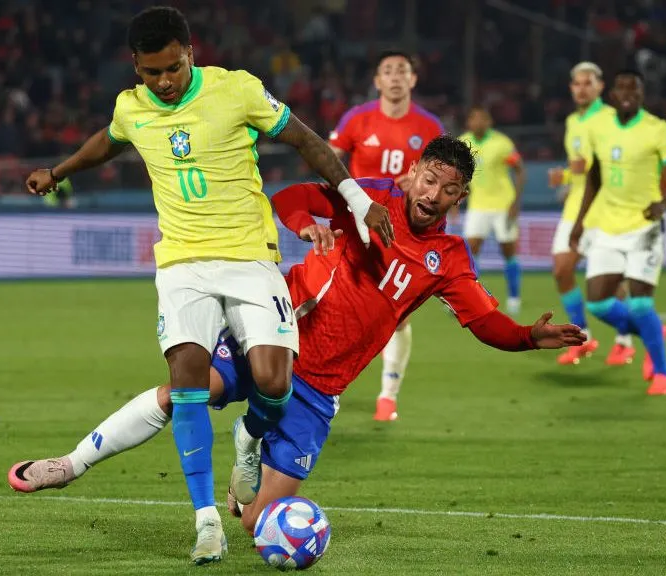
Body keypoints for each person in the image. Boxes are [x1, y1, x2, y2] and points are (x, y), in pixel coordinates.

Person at [8, 135, 585, 542]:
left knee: (258, 526)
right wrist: (307, 225)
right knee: (185, 390)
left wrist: (528, 337)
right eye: (429, 179)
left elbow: (485, 322)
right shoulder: (368, 194)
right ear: (414, 172)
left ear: (460, 198)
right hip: (276, 332)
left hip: (322, 389)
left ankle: (250, 441)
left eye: (448, 189)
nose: (432, 194)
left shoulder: (449, 259)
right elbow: (293, 197)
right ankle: (71, 463)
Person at [23, 6, 393, 565]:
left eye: (173, 67)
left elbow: (308, 142)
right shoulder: (132, 107)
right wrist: (59, 171)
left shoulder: (237, 90)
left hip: (250, 257)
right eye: (152, 73)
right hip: (181, 265)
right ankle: (206, 522)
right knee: (187, 380)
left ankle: (249, 436)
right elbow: (110, 139)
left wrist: (358, 200)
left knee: (274, 382)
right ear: (136, 68)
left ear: (190, 52)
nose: (164, 82)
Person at [327, 50, 445, 422]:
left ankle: (388, 396)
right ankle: (327, 386)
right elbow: (328, 159)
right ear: (378, 81)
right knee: (340, 307)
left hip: (402, 233)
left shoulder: (428, 127)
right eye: (388, 71)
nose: (395, 77)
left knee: (397, 315)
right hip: (356, 226)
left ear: (413, 80)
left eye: (402, 71)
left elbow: (441, 181)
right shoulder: (357, 119)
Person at [570, 69, 666, 396]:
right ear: (612, 94)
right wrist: (580, 221)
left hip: (644, 228)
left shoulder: (657, 129)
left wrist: (663, 203)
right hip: (608, 227)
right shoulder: (598, 127)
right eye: (621, 87)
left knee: (640, 305)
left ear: (642, 94)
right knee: (597, 304)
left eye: (634, 88)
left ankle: (663, 375)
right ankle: (653, 331)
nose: (627, 93)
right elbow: (594, 177)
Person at [547, 62, 637, 366]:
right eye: (577, 83)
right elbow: (579, 169)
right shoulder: (573, 121)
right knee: (562, 270)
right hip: (575, 207)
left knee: (610, 277)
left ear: (600, 87)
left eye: (588, 83)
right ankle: (582, 336)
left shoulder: (612, 118)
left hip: (605, 207)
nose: (582, 88)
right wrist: (565, 176)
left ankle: (625, 340)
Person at [459, 107, 526, 316]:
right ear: (469, 122)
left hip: (502, 206)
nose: (478, 122)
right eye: (474, 118)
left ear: (489, 122)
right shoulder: (462, 143)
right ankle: (474, 297)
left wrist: (515, 202)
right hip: (477, 206)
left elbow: (519, 169)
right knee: (469, 252)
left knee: (508, 251)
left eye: (483, 118)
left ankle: (514, 298)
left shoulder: (502, 143)